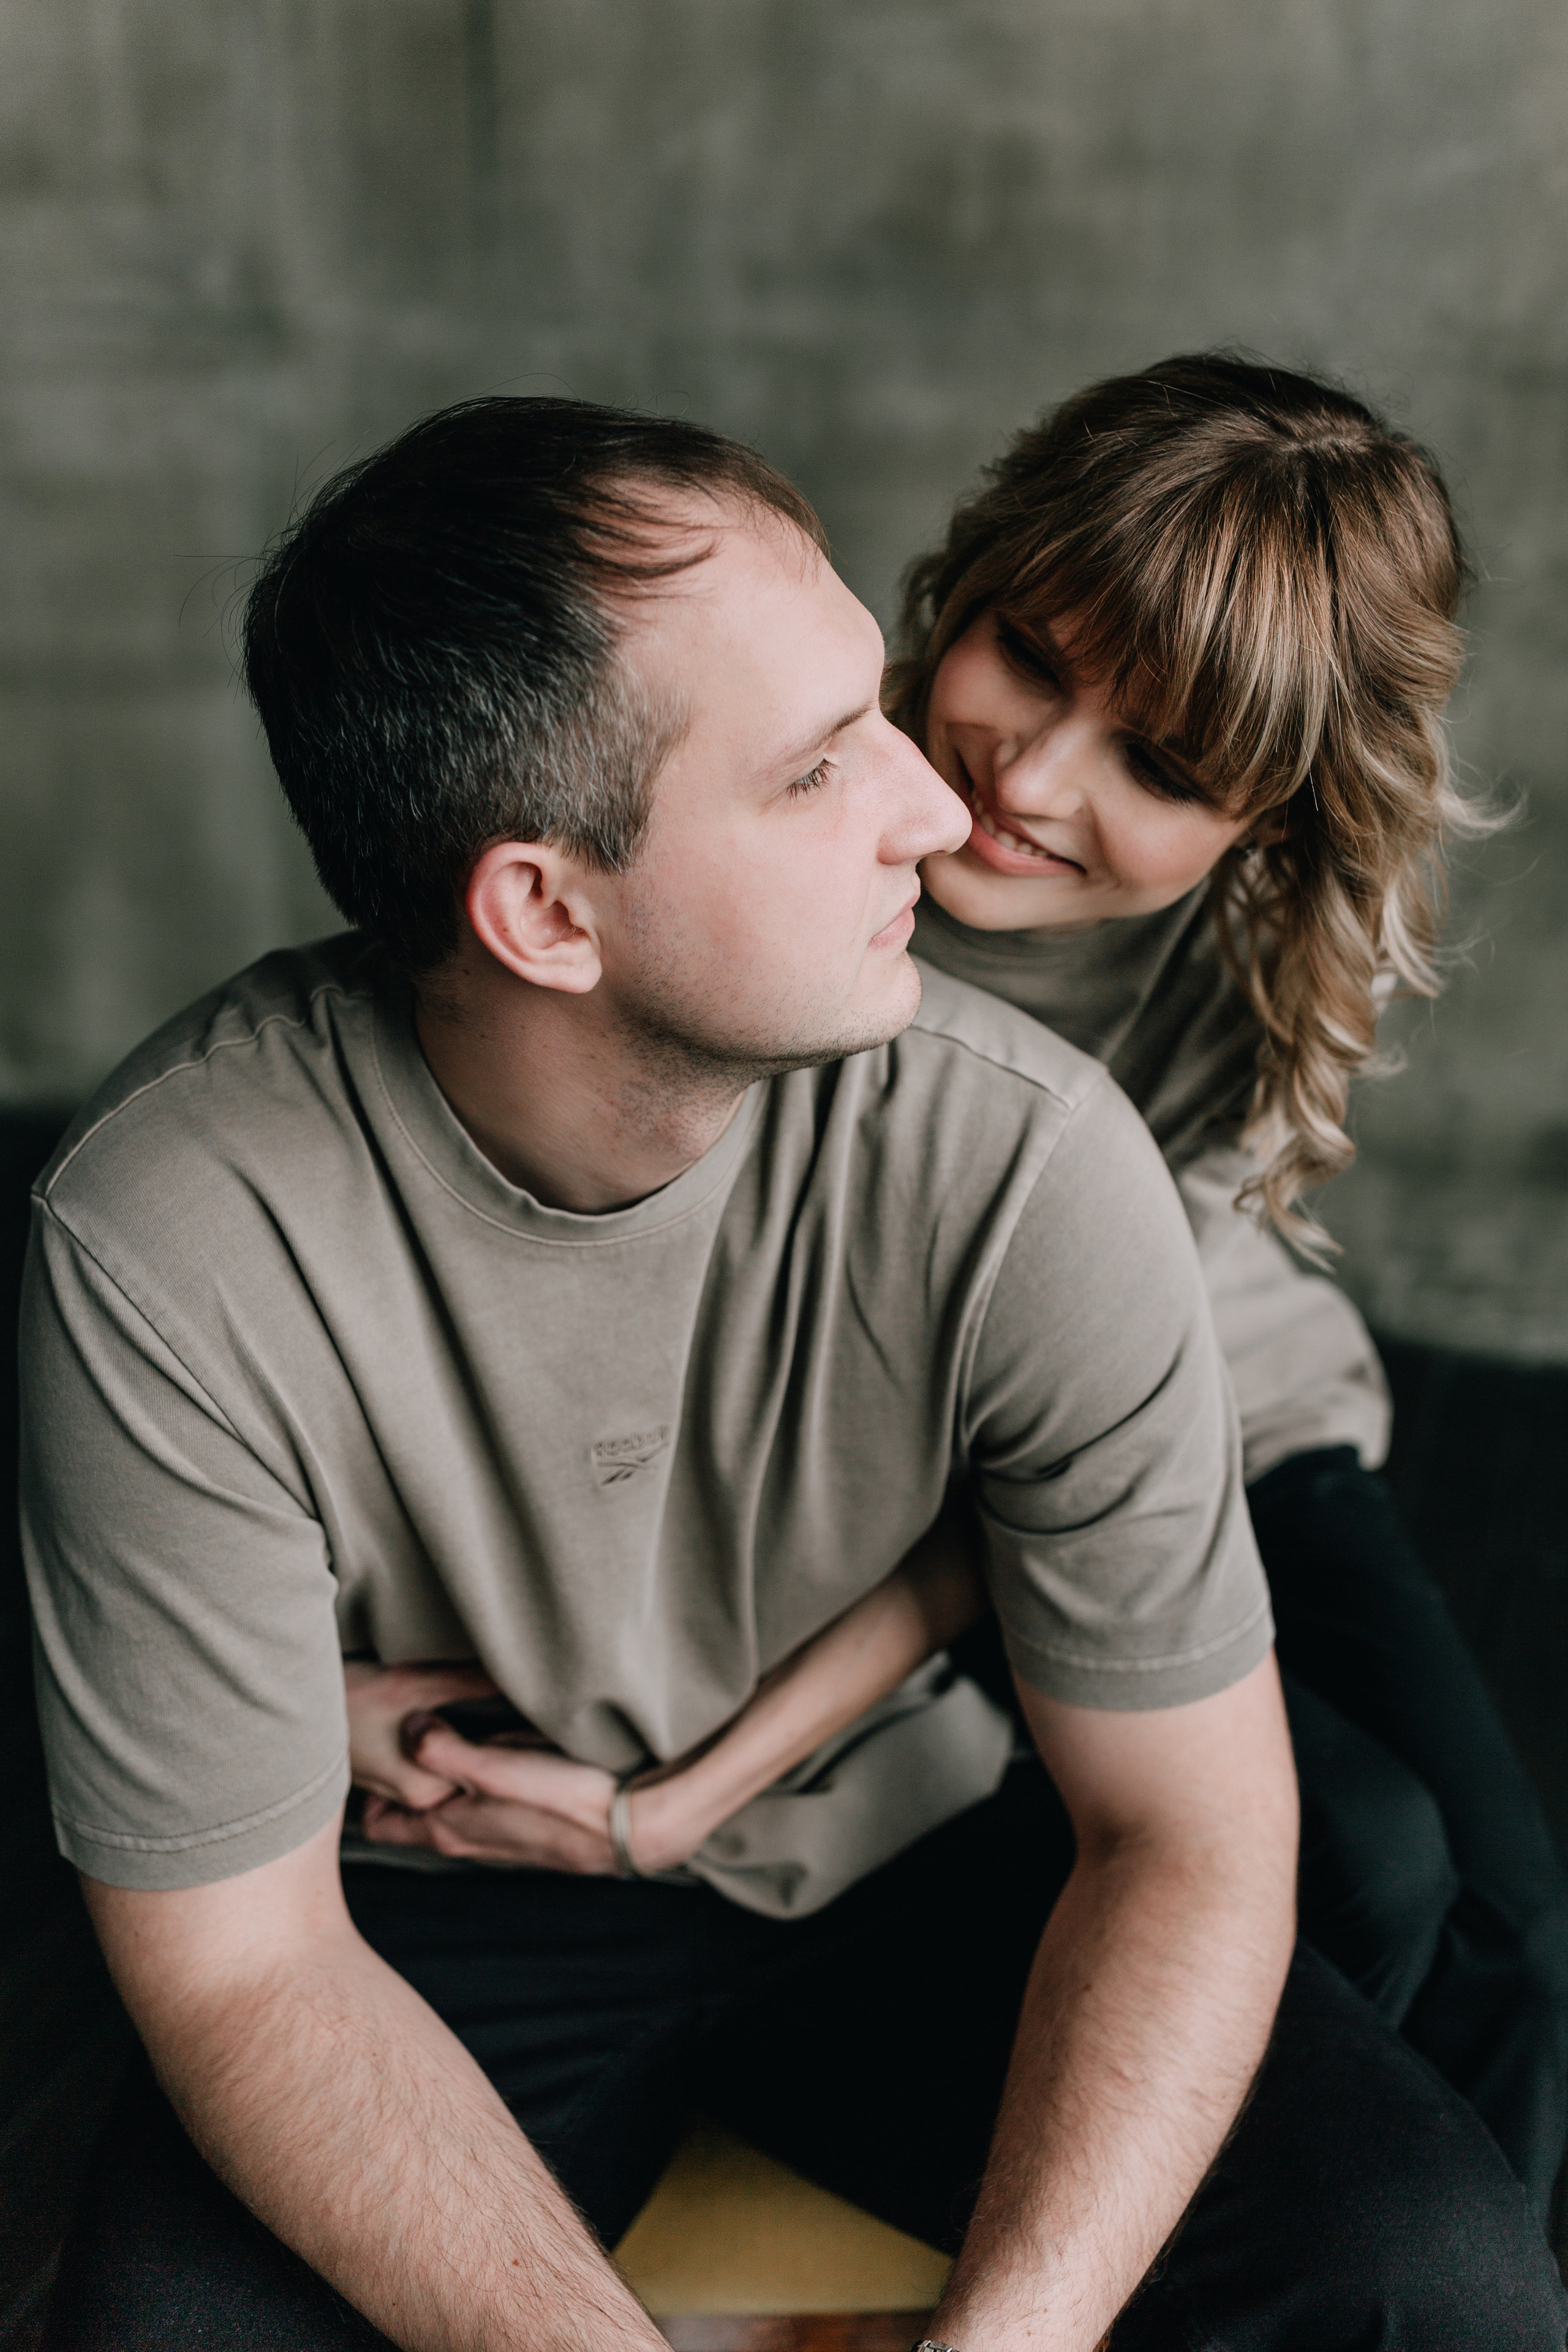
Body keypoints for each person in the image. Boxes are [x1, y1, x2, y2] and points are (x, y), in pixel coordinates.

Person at [23, 396, 1564, 2350]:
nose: (944, 798)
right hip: (443, 1901)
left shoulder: (1041, 1153)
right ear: (545, 910)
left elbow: (1193, 1828)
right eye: (831, 764)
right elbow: (246, 1967)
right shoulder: (167, 1231)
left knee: (1434, 2205)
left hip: (912, 1821)